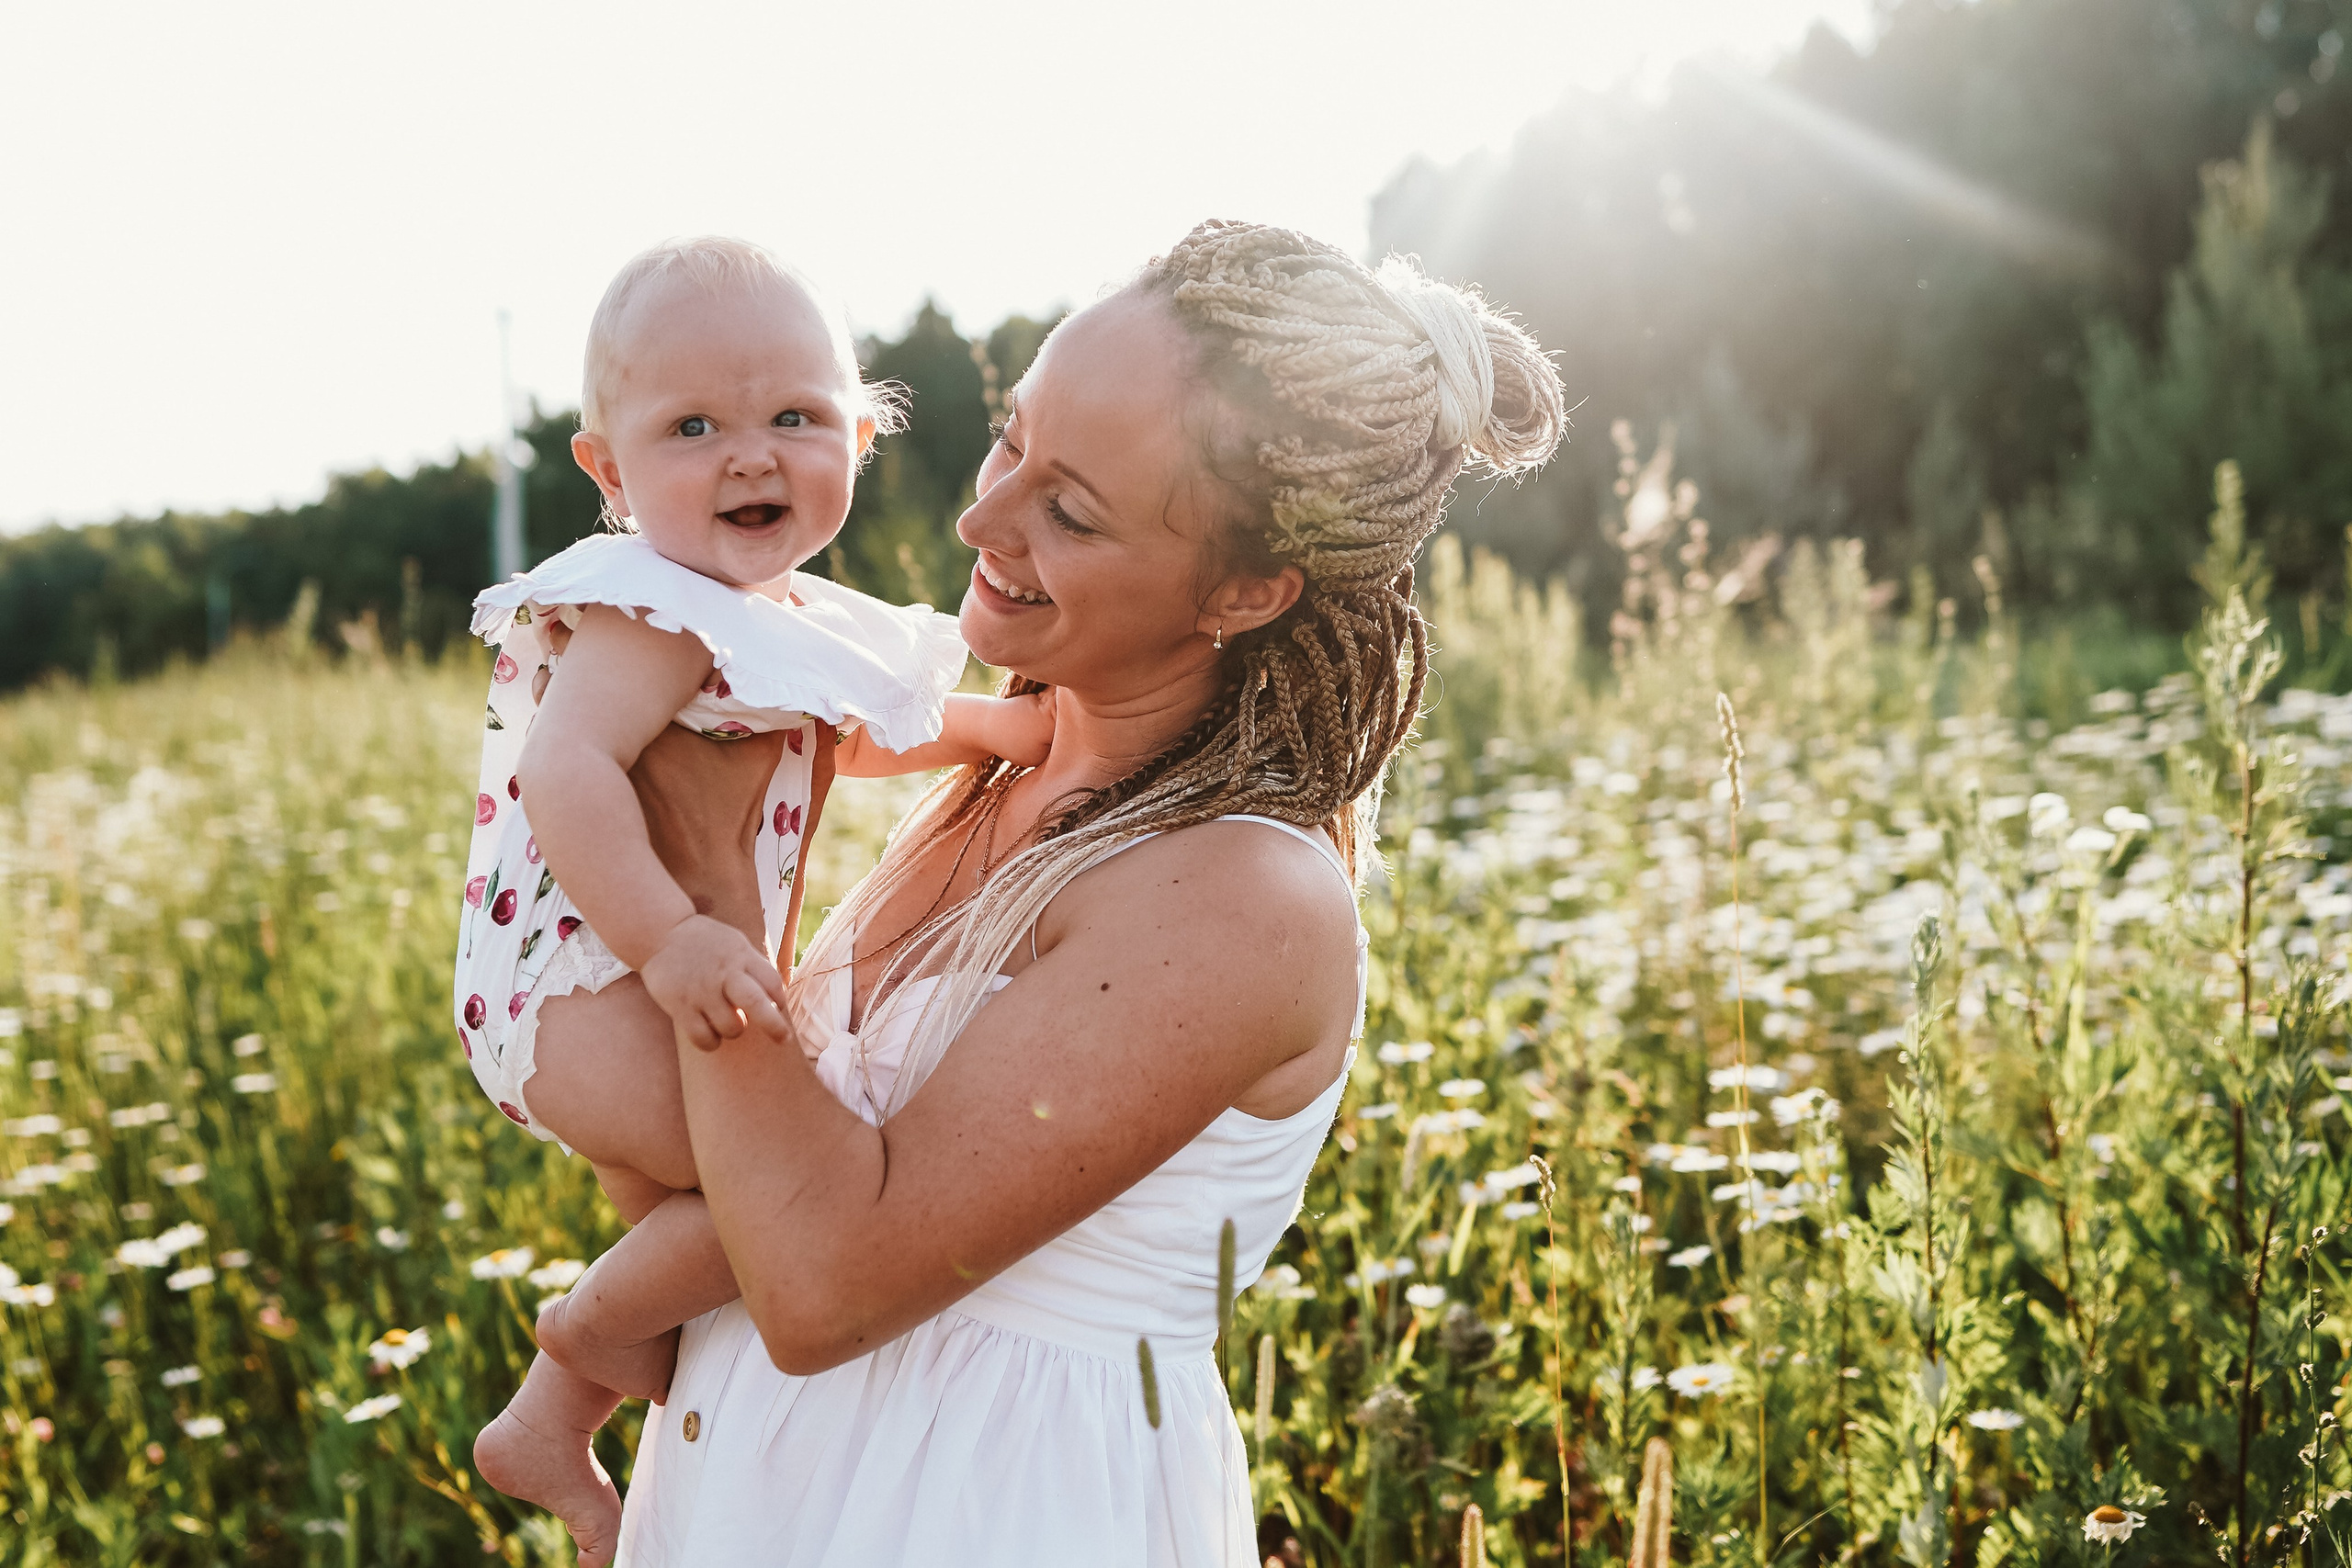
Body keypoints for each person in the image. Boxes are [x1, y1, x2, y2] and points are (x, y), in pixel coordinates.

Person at [606, 220, 1566, 1565]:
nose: (980, 521)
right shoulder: (1005, 767)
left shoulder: (1243, 893)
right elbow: (743, 1191)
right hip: (760, 1503)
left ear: (1246, 589)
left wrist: (708, 882)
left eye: (1070, 511)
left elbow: (819, 1288)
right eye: (1011, 441)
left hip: (982, 1518)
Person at [452, 236, 1051, 1565]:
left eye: (794, 417)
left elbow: (850, 737)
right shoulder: (649, 608)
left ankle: (565, 1420)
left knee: (707, 1227)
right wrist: (667, 940)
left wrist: (1000, 733)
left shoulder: (783, 617)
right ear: (608, 472)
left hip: (626, 986)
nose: (749, 458)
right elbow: (567, 769)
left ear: (861, 437)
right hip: (583, 983)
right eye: (692, 428)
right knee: (781, 1195)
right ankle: (573, 1356)